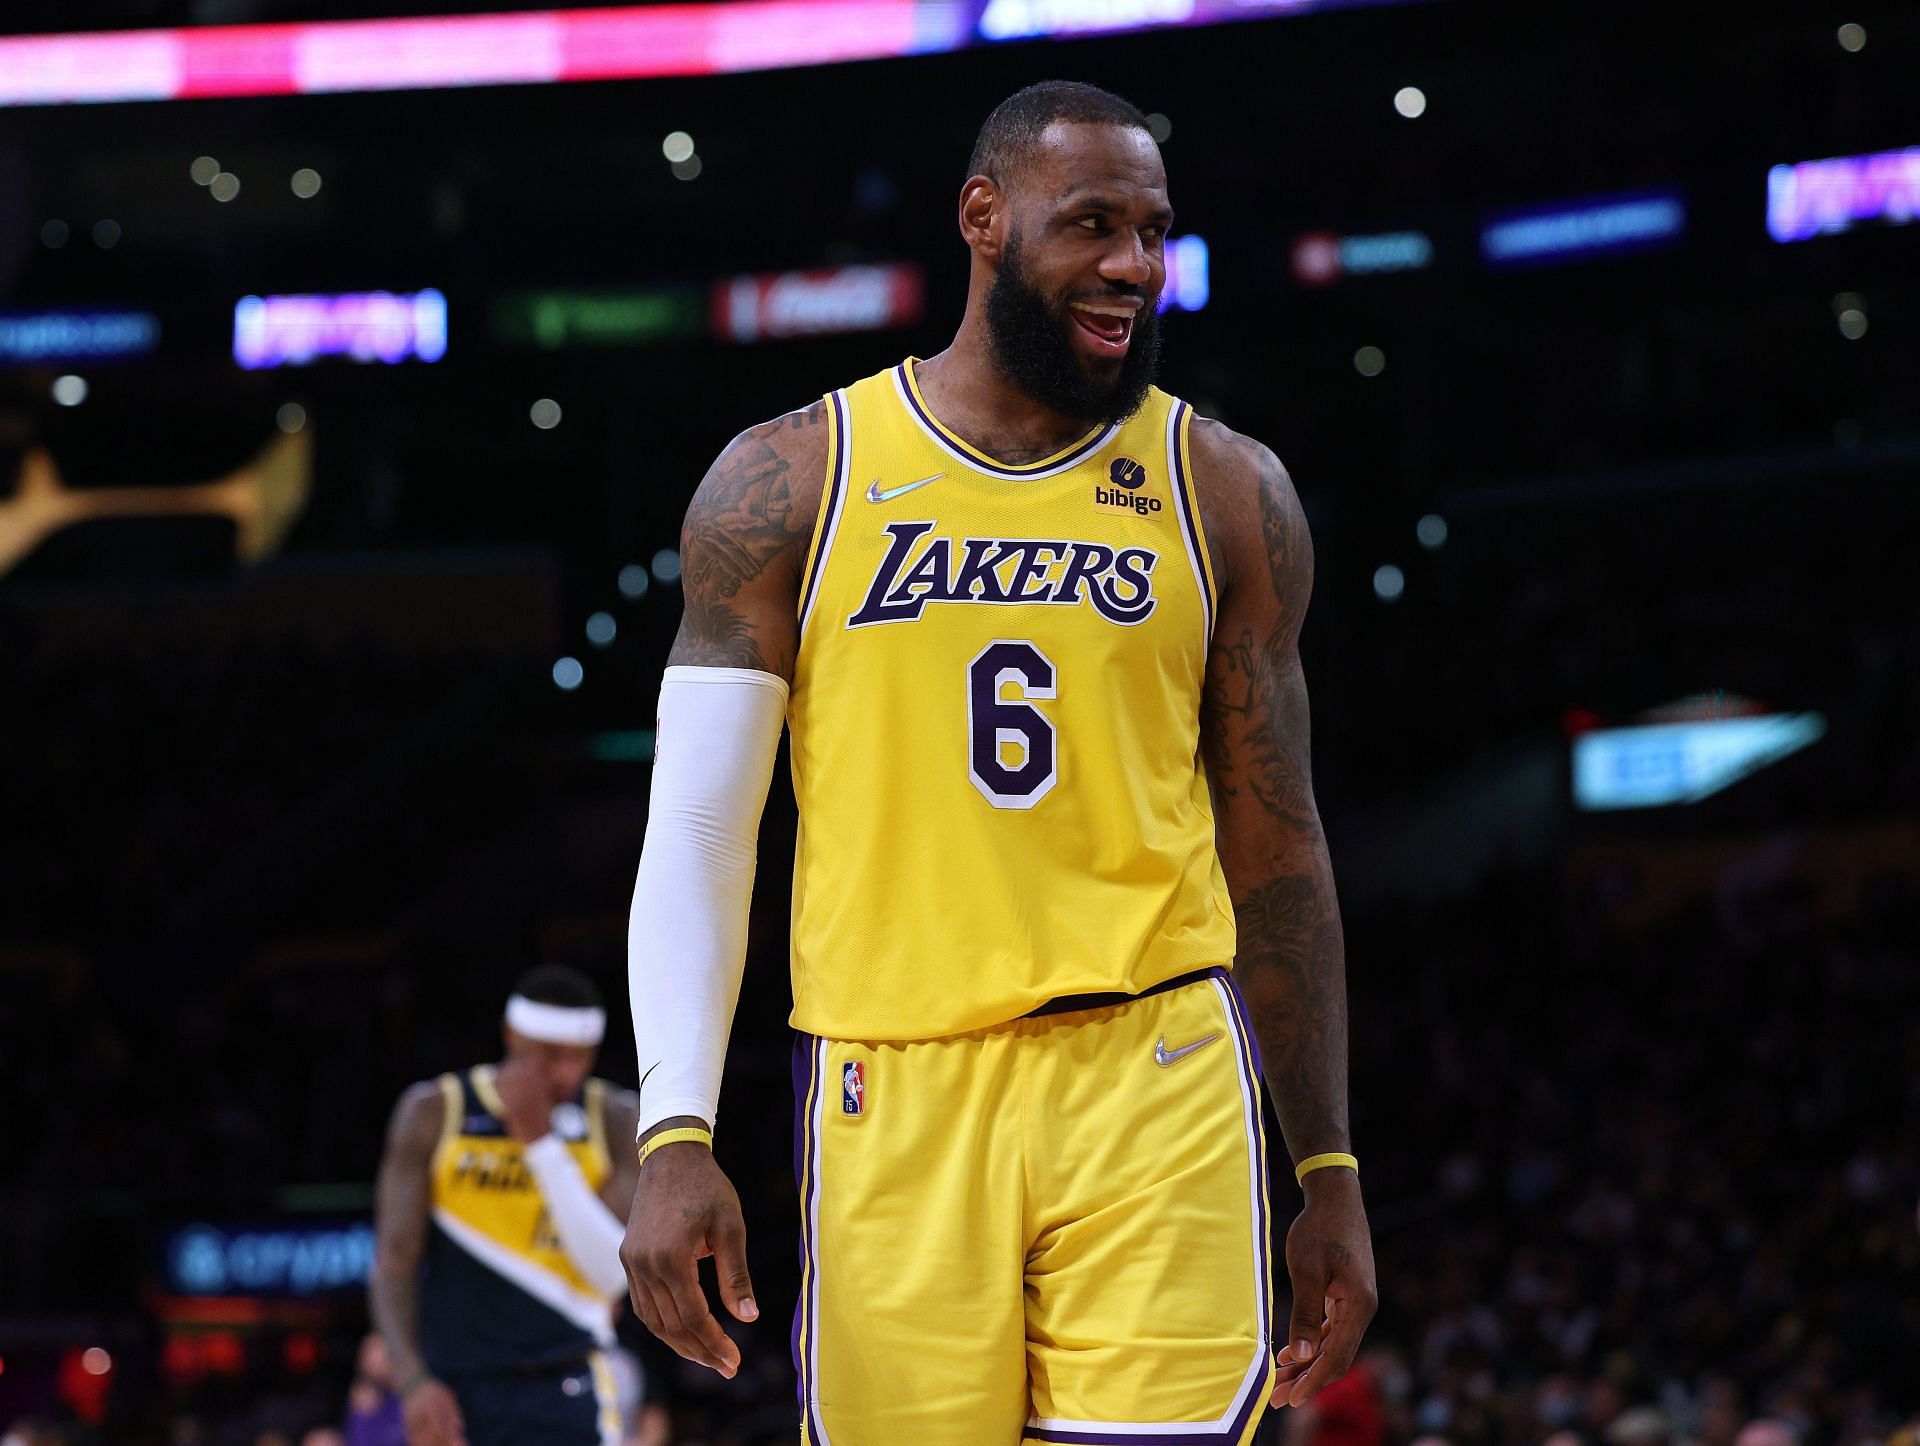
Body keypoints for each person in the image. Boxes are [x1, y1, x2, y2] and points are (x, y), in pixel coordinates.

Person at [622, 80, 1378, 1444]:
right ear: (982, 218)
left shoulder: (1224, 491)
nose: (1132, 268)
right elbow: (696, 828)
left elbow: (1278, 839)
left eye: (1153, 232)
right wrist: (675, 1127)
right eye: (1092, 223)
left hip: (1153, 1060)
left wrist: (1323, 1158)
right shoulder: (790, 479)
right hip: (891, 1081)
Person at [370, 966, 639, 1446]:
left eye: (580, 1057)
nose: (565, 1073)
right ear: (511, 1035)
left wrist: (539, 1144)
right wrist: (411, 1382)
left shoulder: (616, 1117)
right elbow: (394, 1262)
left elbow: (613, 1275)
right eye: (551, 1056)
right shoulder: (437, 1110)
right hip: (456, 1389)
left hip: (571, 1381)